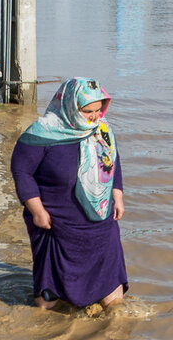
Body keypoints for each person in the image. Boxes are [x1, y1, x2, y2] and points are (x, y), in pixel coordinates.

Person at [10, 77, 127, 310]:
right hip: (56, 223)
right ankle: (48, 329)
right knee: (49, 298)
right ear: (70, 106)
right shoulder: (42, 133)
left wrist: (117, 194)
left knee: (112, 294)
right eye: (88, 111)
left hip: (99, 218)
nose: (95, 116)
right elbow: (21, 171)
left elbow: (113, 161)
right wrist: (36, 210)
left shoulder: (101, 129)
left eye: (99, 109)